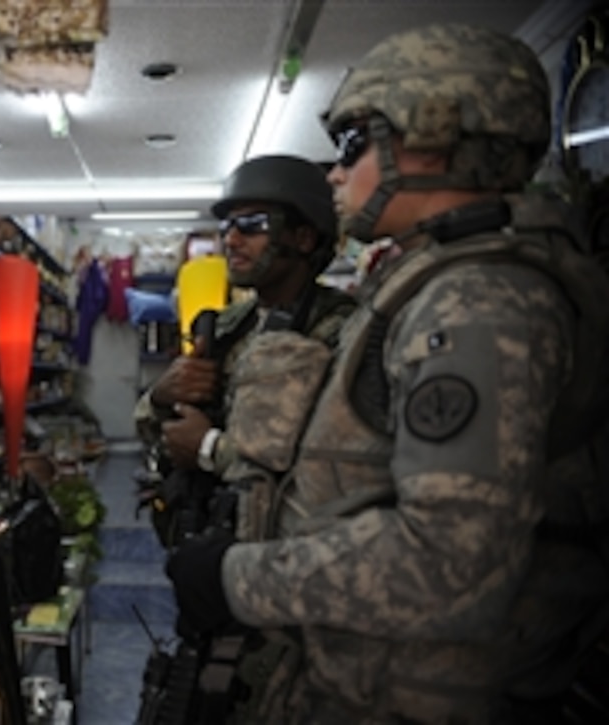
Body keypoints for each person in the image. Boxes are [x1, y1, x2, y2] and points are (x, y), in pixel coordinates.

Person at [165, 23, 609, 723]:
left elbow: (449, 562)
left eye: (353, 143)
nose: (336, 172)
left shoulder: (482, 301)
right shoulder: (438, 284)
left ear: (433, 136)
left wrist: (236, 578)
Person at [134, 154, 356, 546]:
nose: (231, 239)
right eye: (227, 225)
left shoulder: (345, 333)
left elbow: (334, 470)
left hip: (287, 557)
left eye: (253, 225)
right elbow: (157, 432)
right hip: (208, 541)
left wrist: (208, 449)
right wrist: (162, 397)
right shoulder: (226, 325)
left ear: (303, 237)